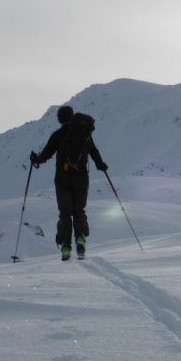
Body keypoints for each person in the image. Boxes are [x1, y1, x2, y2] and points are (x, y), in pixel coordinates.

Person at [30, 105, 108, 261]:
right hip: (81, 178)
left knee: (65, 214)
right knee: (79, 210)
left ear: (59, 119)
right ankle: (80, 240)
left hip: (62, 179)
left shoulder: (58, 135)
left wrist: (36, 159)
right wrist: (101, 164)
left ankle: (66, 246)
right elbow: (94, 151)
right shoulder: (85, 134)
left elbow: (46, 155)